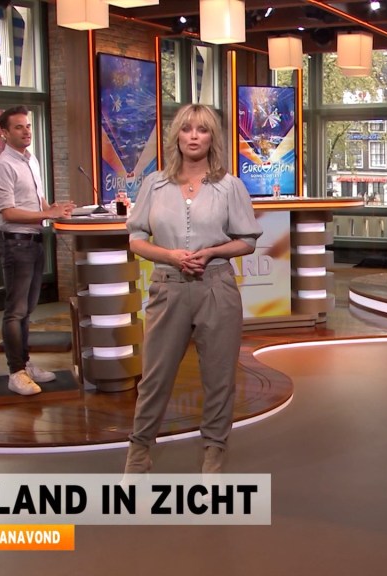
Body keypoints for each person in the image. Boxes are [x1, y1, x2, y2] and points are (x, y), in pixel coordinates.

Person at [124, 104, 262, 475]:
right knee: (155, 378)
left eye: (202, 129)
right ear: (177, 136)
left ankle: (214, 454)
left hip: (216, 288)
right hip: (168, 288)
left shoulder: (229, 186)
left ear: (212, 137)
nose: (194, 136)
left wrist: (213, 251)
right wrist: (170, 255)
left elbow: (248, 240)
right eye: (187, 129)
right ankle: (138, 453)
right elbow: (136, 239)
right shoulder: (154, 184)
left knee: (219, 378)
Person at [0, 106, 74, 396]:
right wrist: (47, 214)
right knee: (15, 311)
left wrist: (55, 208)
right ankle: (15, 373)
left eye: (28, 126)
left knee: (27, 310)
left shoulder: (31, 160)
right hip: (15, 242)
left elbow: (37, 200)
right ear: (4, 133)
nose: (26, 131)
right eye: (18, 127)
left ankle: (25, 364)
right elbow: (9, 212)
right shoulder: (3, 165)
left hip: (34, 240)